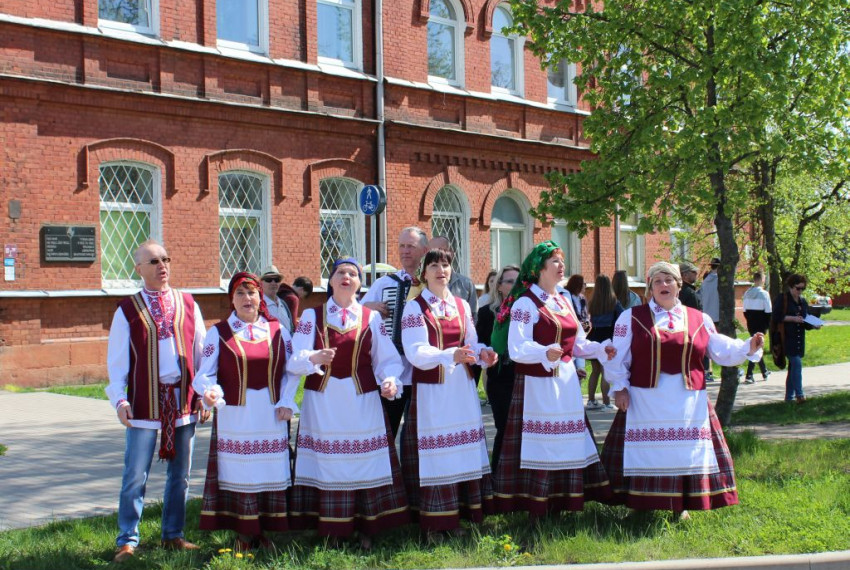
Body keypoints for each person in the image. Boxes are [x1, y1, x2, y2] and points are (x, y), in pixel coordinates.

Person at [601, 262, 764, 519]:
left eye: (669, 280)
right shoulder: (631, 318)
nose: (663, 285)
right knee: (646, 453)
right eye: (657, 281)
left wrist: (748, 347)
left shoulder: (699, 318)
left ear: (679, 285)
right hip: (645, 399)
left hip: (688, 399)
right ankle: (640, 504)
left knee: (683, 452)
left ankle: (682, 505)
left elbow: (720, 348)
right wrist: (619, 388)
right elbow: (617, 357)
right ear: (649, 288)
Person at [287, 258, 408, 548]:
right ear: (330, 281)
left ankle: (366, 526)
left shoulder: (371, 318)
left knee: (362, 463)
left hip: (361, 401)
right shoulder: (310, 317)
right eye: (340, 272)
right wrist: (313, 358)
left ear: (359, 284)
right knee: (328, 464)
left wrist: (390, 380)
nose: (346, 276)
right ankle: (330, 528)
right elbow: (293, 361)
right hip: (323, 402)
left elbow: (387, 359)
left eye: (353, 274)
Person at [489, 241, 615, 520]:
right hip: (538, 385)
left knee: (566, 441)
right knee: (541, 443)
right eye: (556, 262)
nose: (562, 266)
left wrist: (599, 349)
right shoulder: (525, 303)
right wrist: (544, 351)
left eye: (562, 261)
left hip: (566, 384)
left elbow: (577, 343)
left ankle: (563, 501)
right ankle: (537, 506)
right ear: (539, 269)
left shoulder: (563, 299)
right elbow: (517, 347)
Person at [105, 240, 207, 563]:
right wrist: (119, 399)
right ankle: (127, 539)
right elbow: (117, 361)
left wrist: (203, 393)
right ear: (138, 269)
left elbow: (202, 353)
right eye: (153, 261)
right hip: (143, 403)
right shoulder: (127, 310)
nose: (162, 265)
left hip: (182, 401)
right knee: (136, 473)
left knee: (182, 474)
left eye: (165, 259)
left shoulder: (188, 303)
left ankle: (173, 534)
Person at [400, 248, 499, 537]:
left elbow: (472, 342)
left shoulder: (461, 305)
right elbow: (415, 352)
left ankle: (459, 516)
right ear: (424, 272)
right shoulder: (414, 307)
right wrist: (449, 355)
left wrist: (484, 355)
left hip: (461, 389)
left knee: (461, 453)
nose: (441, 270)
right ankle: (435, 522)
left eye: (445, 264)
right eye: (434, 265)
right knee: (438, 456)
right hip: (434, 391)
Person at [193, 272, 294, 550]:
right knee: (242, 475)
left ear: (261, 297)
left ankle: (264, 531)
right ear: (232, 300)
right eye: (240, 293)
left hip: (270, 413)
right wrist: (210, 391)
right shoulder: (219, 332)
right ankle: (244, 533)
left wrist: (287, 400)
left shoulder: (277, 331)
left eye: (252, 293)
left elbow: (290, 371)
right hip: (236, 415)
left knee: (266, 472)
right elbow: (204, 374)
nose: (247, 298)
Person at [361, 226, 429, 437]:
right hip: (392, 368)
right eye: (402, 246)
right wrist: (369, 307)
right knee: (386, 427)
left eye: (411, 246)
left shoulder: (432, 284)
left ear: (425, 251)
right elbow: (356, 315)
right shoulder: (385, 283)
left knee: (419, 432)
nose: (405, 251)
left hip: (422, 369)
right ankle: (388, 468)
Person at [475, 264, 520, 468]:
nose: (516, 285)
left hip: (525, 380)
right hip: (500, 380)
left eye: (519, 281)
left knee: (524, 431)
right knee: (505, 428)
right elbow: (479, 345)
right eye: (510, 281)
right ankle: (499, 477)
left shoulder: (530, 311)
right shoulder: (487, 313)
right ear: (499, 286)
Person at [772, 273, 820, 403]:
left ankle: (789, 398)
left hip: (799, 338)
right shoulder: (783, 299)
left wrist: (813, 325)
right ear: (791, 287)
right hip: (786, 338)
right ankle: (800, 395)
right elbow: (776, 317)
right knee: (797, 364)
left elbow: (805, 319)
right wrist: (792, 318)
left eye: (802, 289)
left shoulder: (802, 301)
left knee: (793, 368)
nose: (799, 291)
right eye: (798, 288)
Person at [585, 274, 623, 410]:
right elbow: (623, 316)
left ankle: (590, 400)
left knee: (595, 371)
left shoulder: (592, 302)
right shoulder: (614, 302)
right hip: (608, 337)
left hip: (594, 336)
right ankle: (606, 402)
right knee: (605, 370)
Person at [429, 236, 478, 321]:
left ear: (451, 253)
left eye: (442, 250)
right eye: (433, 252)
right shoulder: (421, 284)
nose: (437, 255)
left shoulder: (466, 284)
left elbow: (473, 317)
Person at [742, 271, 772, 384]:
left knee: (756, 346)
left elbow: (744, 311)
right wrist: (767, 325)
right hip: (761, 322)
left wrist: (749, 319)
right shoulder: (764, 294)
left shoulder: (747, 293)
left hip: (751, 322)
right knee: (756, 347)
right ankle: (749, 374)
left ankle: (764, 371)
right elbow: (768, 311)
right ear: (762, 280)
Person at [697, 258, 721, 382]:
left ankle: (707, 371)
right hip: (718, 316)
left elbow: (700, 297)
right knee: (720, 344)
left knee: (707, 343)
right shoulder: (720, 281)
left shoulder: (705, 281)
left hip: (706, 315)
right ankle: (726, 370)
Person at [562, 274, 591, 380]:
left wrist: (587, 325)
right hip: (570, 333)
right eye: (584, 284)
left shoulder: (582, 298)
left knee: (580, 367)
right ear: (578, 285)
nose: (585, 286)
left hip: (581, 333)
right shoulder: (566, 296)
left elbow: (585, 315)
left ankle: (580, 372)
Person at [260, 265, 295, 333]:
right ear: (261, 283)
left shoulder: (283, 304)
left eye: (277, 280)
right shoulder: (259, 305)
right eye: (268, 280)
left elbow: (290, 328)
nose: (273, 283)